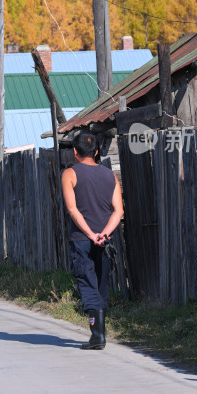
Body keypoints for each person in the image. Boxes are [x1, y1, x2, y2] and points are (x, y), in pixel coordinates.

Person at [61, 132, 123, 350]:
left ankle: (97, 336)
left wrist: (90, 234)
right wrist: (103, 234)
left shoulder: (69, 174)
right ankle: (99, 334)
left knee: (88, 285)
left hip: (82, 240)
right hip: (105, 241)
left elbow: (72, 209)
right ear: (96, 152)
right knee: (101, 285)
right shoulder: (110, 176)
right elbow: (119, 211)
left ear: (75, 152)